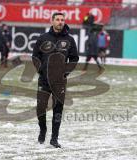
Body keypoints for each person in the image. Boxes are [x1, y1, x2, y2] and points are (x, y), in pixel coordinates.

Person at [32, 12, 79, 148]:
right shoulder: (43, 38)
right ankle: (43, 130)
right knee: (40, 108)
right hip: (44, 80)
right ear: (52, 21)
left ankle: (54, 138)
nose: (60, 22)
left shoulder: (70, 40)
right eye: (57, 19)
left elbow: (74, 58)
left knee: (58, 109)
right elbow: (35, 56)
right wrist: (40, 70)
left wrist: (65, 72)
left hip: (60, 81)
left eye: (62, 20)